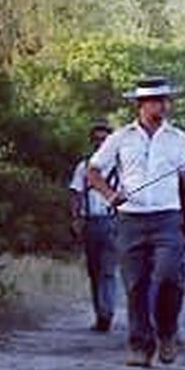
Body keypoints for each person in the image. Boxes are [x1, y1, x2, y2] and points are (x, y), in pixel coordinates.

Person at [86, 75, 185, 367]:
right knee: (135, 284)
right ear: (141, 104)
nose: (163, 106)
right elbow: (94, 171)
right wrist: (110, 195)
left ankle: (167, 332)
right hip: (130, 220)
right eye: (156, 100)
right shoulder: (121, 138)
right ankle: (140, 345)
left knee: (169, 277)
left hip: (167, 218)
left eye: (165, 100)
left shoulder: (178, 139)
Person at [69, 119, 120, 332]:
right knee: (94, 270)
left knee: (108, 269)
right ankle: (101, 312)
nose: (100, 143)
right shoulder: (84, 165)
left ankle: (106, 313)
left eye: (104, 139)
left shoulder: (121, 165)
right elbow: (76, 192)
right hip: (91, 221)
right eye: (97, 140)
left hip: (113, 221)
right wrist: (75, 218)